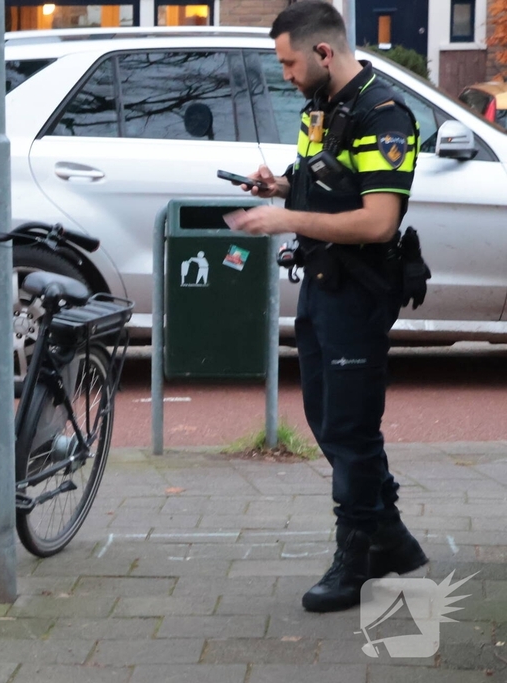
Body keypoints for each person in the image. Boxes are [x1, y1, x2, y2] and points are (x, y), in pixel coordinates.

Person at [227, 0, 428, 613]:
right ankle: (389, 536)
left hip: (360, 289)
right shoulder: (323, 108)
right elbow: (329, 179)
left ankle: (360, 553)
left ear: (323, 51)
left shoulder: (384, 115)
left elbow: (375, 220)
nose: (284, 75)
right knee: (326, 418)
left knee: (350, 426)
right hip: (321, 279)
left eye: (289, 63)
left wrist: (285, 217)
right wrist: (283, 186)